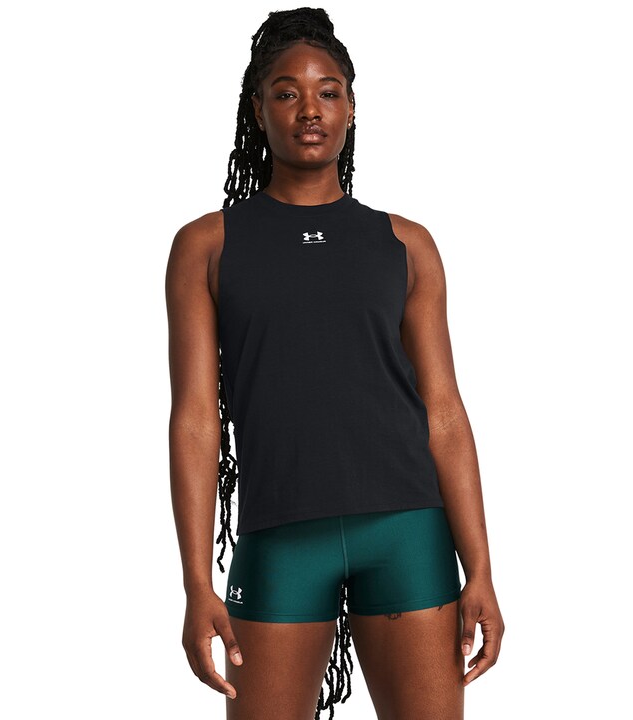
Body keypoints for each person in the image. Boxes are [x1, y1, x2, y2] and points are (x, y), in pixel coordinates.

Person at [165, 7, 504, 719]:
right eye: (286, 93)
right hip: (280, 536)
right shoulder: (207, 246)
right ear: (257, 110)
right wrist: (197, 582)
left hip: (407, 531)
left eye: (328, 92)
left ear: (352, 107)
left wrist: (480, 568)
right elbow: (195, 420)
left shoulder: (406, 245)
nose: (309, 109)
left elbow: (444, 413)